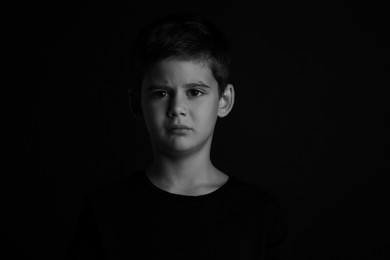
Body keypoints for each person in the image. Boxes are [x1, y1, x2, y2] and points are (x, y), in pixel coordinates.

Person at [66, 13, 288, 259]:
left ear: (224, 101)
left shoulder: (258, 212)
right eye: (161, 93)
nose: (177, 108)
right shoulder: (104, 211)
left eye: (194, 91)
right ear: (136, 104)